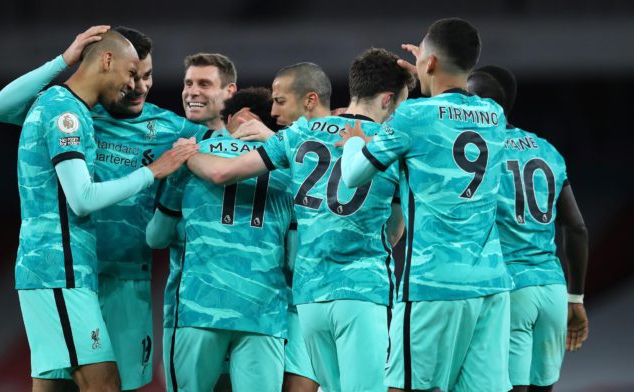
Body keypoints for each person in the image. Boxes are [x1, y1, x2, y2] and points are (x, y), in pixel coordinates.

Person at [179, 47, 412, 391]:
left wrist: (188, 155)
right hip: (363, 290)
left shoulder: (298, 135)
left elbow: (224, 173)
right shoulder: (390, 143)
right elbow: (396, 226)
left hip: (310, 296)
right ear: (389, 99)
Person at [0, 26, 207, 391]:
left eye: (144, 76)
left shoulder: (61, 104)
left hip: (69, 269)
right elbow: (82, 198)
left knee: (55, 385)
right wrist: (153, 171)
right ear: (107, 60)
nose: (134, 84)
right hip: (59, 269)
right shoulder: (67, 114)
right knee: (104, 383)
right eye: (130, 73)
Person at [339, 18, 513, 392]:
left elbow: (354, 175)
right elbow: (453, 109)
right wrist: (431, 67)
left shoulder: (412, 116)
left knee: (404, 387)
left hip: (432, 283)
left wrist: (355, 140)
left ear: (429, 63)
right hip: (491, 284)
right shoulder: (495, 116)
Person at [146, 87, 294, 392]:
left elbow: (156, 237)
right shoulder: (289, 172)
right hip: (263, 314)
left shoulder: (190, 159)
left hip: (198, 307)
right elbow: (293, 256)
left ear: (229, 119)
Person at [468, 65, 589, 392]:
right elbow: (576, 228)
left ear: (481, 104)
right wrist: (575, 298)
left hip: (510, 290)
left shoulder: (477, 154)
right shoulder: (546, 149)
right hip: (552, 289)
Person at [232, 62, 332, 392]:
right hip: (269, 298)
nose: (275, 112)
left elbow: (326, 187)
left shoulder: (340, 141)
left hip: (315, 295)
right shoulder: (276, 147)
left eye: (281, 101)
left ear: (309, 100)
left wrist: (278, 142)